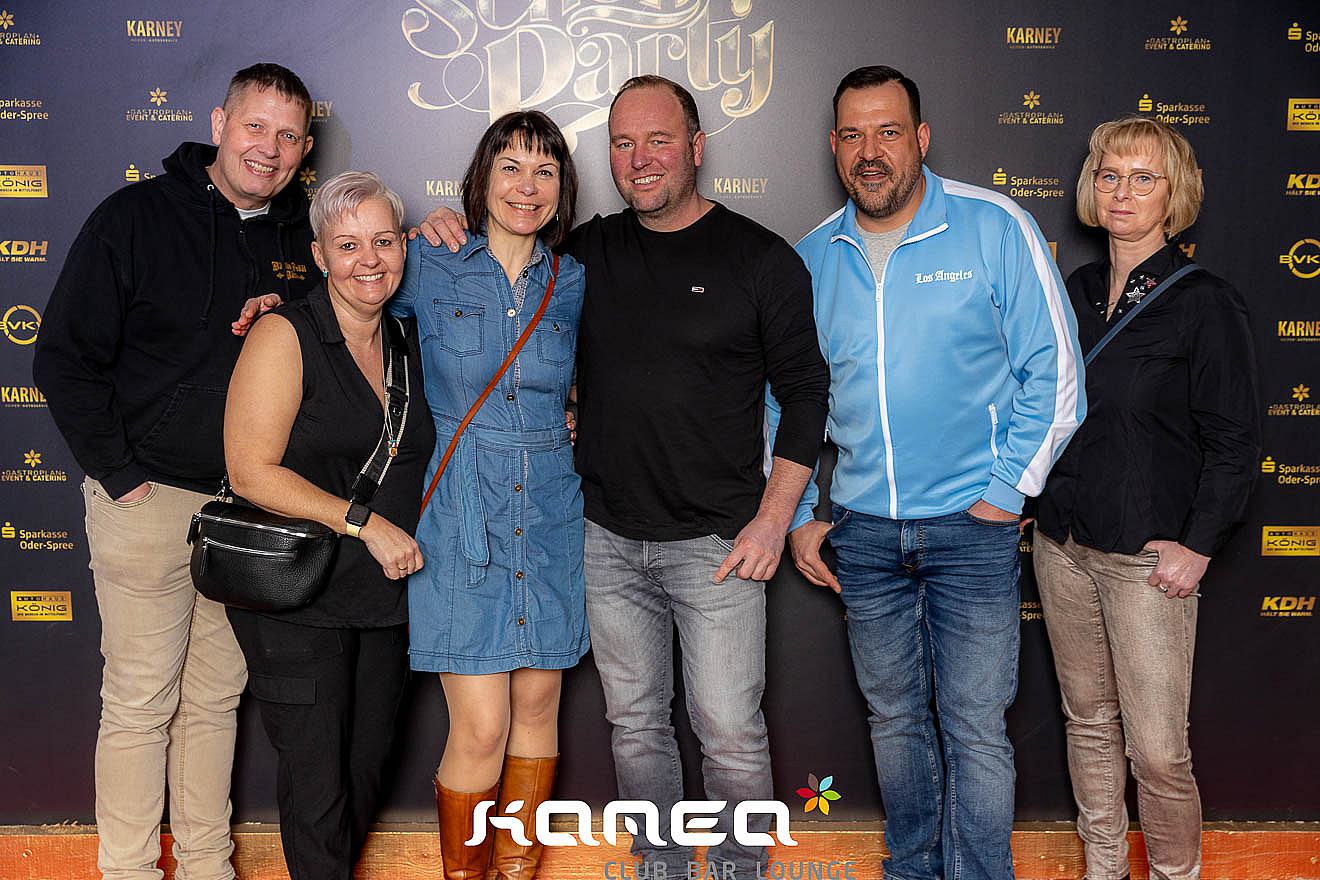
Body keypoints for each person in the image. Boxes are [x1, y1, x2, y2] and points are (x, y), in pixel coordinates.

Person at [419, 77, 830, 878]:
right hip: (601, 539)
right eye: (623, 144)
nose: (641, 159)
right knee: (636, 727)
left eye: (659, 141)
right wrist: (440, 224)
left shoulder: (760, 258)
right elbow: (508, 304)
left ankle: (740, 870)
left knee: (729, 731)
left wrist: (775, 517)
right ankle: (659, 867)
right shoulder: (582, 257)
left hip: (719, 543)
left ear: (697, 147)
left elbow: (807, 393)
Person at [773, 65, 1086, 880]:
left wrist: (1004, 493)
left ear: (920, 138)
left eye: (887, 131)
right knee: (894, 722)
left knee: (975, 727)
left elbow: (1055, 373)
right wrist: (799, 513)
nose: (869, 151)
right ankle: (913, 868)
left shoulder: (994, 225)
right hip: (864, 534)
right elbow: (784, 402)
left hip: (972, 528)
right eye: (852, 135)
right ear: (833, 146)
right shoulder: (811, 258)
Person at [32, 63, 317, 879]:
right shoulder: (135, 217)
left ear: (305, 149)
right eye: (255, 127)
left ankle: (205, 866)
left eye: (288, 136)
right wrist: (120, 475)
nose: (269, 149)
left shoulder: (305, 239)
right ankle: (126, 870)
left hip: (250, 511)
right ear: (219, 125)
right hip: (148, 498)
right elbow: (63, 358)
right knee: (139, 702)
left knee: (214, 702)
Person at [1032, 117, 1259, 880]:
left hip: (1145, 558)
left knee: (1159, 751)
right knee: (1088, 723)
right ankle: (1103, 867)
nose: (1121, 192)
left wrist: (1198, 545)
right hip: (1062, 545)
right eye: (1109, 176)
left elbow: (1234, 439)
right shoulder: (1075, 289)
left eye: (1142, 178)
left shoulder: (1206, 302)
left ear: (1174, 194)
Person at [221, 170, 435, 880]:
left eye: (383, 241)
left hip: (384, 602)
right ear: (319, 255)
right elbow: (251, 471)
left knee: (364, 775)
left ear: (403, 247)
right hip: (298, 601)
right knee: (317, 791)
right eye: (347, 245)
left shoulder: (407, 338)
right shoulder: (285, 333)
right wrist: (363, 523)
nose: (368, 260)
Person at [393, 111, 588, 880]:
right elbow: (345, 308)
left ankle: (516, 871)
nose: (526, 186)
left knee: (538, 709)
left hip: (549, 511)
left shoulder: (573, 281)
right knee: (480, 728)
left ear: (561, 189)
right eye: (510, 166)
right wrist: (273, 311)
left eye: (544, 171)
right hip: (460, 512)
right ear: (481, 179)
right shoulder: (427, 260)